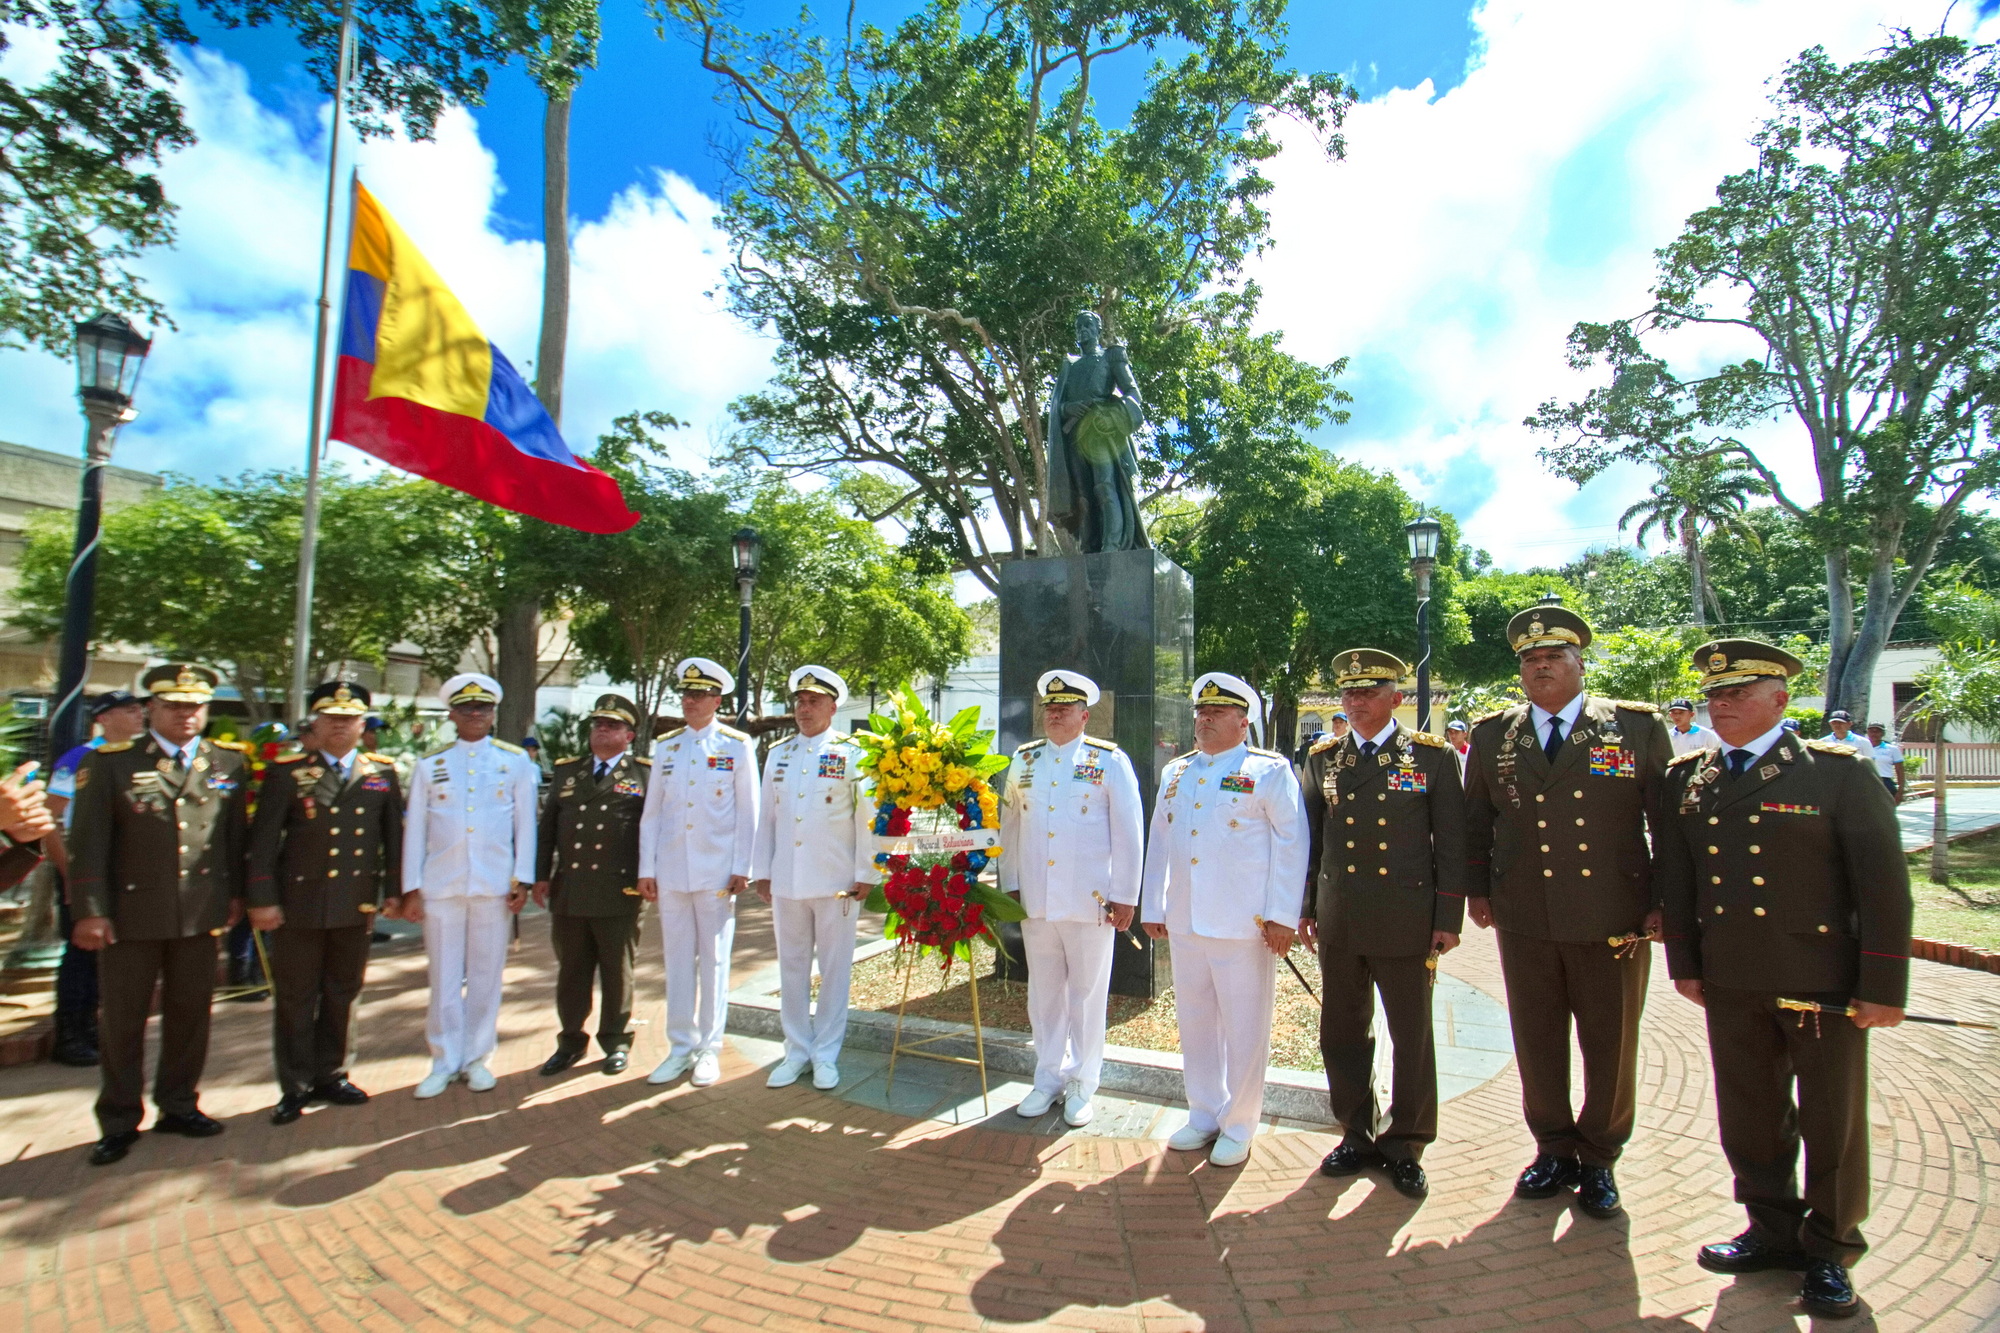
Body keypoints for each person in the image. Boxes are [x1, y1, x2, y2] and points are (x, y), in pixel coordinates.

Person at [1656, 639, 1911, 1320]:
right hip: (1731, 976)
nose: (1723, 704)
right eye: (1716, 694)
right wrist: (1685, 961)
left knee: (1832, 1118)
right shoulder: (1692, 777)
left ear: (1781, 698)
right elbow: (1678, 882)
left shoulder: (1836, 773)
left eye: (1739, 692)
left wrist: (1882, 985)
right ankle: (1770, 1228)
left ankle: (1829, 1247)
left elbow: (1883, 886)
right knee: (1750, 1111)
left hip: (1818, 978)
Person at [1463, 606, 1672, 1219]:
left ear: (1581, 665)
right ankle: (1552, 1146)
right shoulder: (1494, 734)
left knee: (1610, 1041)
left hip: (1613, 913)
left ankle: (1600, 1156)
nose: (1541, 666)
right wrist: (1478, 891)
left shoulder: (1632, 728)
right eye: (1530, 660)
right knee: (1538, 1037)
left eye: (1553, 657)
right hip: (1525, 912)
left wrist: (1661, 902)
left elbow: (1664, 822)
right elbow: (1478, 818)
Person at [67, 664, 251, 1166]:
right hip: (131, 915)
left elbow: (233, 840)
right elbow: (88, 845)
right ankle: (119, 1119)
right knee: (123, 1020)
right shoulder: (112, 763)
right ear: (151, 708)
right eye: (174, 705)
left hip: (199, 914)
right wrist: (89, 911)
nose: (185, 714)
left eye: (195, 706)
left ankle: (178, 1105)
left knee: (191, 1017)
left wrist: (235, 895)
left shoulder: (228, 762)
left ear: (206, 710)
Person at [1300, 650, 1467, 1199]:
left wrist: (1448, 918)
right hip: (1341, 917)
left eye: (1369, 692)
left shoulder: (1432, 758)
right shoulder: (1324, 758)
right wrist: (1306, 907)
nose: (1356, 701)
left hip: (1406, 918)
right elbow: (1312, 844)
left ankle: (1408, 1143)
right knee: (1343, 1030)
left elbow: (1453, 844)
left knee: (1411, 1033)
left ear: (1397, 698)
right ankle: (1356, 1132)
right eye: (1348, 693)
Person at [1140, 671, 1307, 1168]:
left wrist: (1282, 916)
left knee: (1245, 1027)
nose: (1204, 719)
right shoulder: (1177, 773)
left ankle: (1240, 1123)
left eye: (1216, 713)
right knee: (1195, 1024)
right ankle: (1204, 1112)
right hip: (1187, 921)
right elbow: (1161, 843)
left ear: (1243, 721)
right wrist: (1154, 906)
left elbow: (1291, 843)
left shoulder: (1269, 771)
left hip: (1243, 926)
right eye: (1200, 712)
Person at [247, 680, 404, 1125]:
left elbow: (394, 839)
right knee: (296, 996)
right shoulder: (287, 771)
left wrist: (393, 892)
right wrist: (263, 898)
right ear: (315, 722)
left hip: (355, 904)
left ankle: (332, 1074)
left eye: (350, 718)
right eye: (331, 718)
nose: (341, 725)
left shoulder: (381, 773)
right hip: (298, 903)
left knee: (343, 992)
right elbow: (262, 843)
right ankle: (294, 1086)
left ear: (362, 724)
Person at [999, 670, 1143, 1126]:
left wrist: (1125, 896)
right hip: (1037, 901)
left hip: (1090, 901)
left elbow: (1128, 831)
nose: (1055, 713)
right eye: (1049, 707)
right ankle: (1047, 1079)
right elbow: (1010, 827)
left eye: (1065, 708)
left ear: (1085, 715)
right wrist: (1010, 885)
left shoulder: (1109, 760)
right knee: (1043, 995)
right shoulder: (1023, 760)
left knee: (1086, 994)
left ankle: (1083, 1082)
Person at [400, 673, 539, 1099]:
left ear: (493, 713)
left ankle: (478, 1057)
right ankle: (443, 1059)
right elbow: (416, 830)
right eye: (466, 708)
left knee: (485, 975)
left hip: (493, 884)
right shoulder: (431, 764)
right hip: (442, 884)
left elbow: (525, 825)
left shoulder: (515, 761)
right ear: (452, 714)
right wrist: (411, 887)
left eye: (482, 708)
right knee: (443, 976)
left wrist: (524, 879)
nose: (475, 715)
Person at [751, 667, 876, 1091]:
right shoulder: (779, 754)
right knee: (792, 968)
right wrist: (761, 871)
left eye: (814, 702)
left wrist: (867, 874)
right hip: (787, 880)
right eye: (800, 701)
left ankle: (826, 1054)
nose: (804, 709)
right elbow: (766, 818)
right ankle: (796, 1050)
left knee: (835, 970)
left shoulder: (853, 752)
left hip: (836, 882)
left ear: (833, 707)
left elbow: (867, 818)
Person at [638, 657, 759, 1088]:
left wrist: (742, 867)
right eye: (686, 694)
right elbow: (651, 815)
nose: (691, 701)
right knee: (676, 961)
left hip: (715, 873)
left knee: (714, 960)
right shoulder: (667, 746)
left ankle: (709, 1048)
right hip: (671, 870)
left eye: (700, 694)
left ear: (717, 699)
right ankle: (679, 1046)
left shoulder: (736, 745)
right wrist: (646, 868)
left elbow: (749, 811)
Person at [533, 694, 649, 1077]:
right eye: (598, 723)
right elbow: (547, 828)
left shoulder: (645, 774)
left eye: (613, 725)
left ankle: (615, 1041)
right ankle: (569, 1041)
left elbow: (654, 833)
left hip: (619, 890)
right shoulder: (569, 772)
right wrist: (539, 877)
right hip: (572, 888)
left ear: (629, 735)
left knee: (617, 971)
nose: (602, 729)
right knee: (572, 971)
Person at [45, 691, 146, 1066]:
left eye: (140, 710)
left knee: (111, 953)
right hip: (83, 867)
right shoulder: (81, 758)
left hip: (121, 869)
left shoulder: (138, 757)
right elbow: (49, 821)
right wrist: (70, 873)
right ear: (103, 718)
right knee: (81, 953)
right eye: (129, 710)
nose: (138, 716)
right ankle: (70, 1034)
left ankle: (93, 1029)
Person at [1864, 722, 1905, 801]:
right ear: (1867, 732)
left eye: (1877, 731)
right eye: (1871, 731)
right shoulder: (1862, 746)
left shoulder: (1892, 749)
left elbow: (1900, 770)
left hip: (1885, 782)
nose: (1874, 734)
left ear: (1883, 733)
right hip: (1865, 781)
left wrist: (1900, 790)